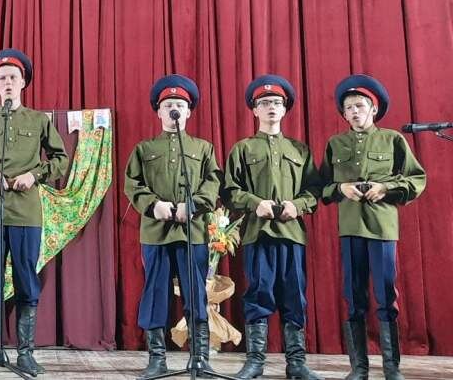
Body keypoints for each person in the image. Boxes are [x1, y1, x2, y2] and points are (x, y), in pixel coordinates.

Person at [0, 48, 68, 375]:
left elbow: (60, 160)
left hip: (26, 214)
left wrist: (35, 175)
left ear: (23, 82)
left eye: (13, 77)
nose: (7, 82)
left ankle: (26, 355)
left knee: (26, 281)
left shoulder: (39, 120)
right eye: (2, 78)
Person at [320, 74, 426, 380]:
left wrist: (386, 187)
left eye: (360, 106)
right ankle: (359, 368)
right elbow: (321, 186)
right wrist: (341, 188)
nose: (354, 112)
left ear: (374, 109)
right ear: (343, 114)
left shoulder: (393, 140)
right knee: (354, 298)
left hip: (381, 227)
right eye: (349, 108)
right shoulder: (335, 143)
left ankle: (391, 367)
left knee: (385, 296)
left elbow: (416, 178)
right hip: (351, 227)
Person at [222, 75, 321, 379]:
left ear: (285, 108)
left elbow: (314, 190)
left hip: (292, 234)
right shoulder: (243, 149)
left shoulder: (300, 150)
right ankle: (255, 362)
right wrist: (255, 203)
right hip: (257, 233)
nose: (271, 107)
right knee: (258, 294)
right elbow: (230, 191)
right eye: (264, 103)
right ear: (254, 110)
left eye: (277, 103)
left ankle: (297, 363)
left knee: (295, 296)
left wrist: (297, 206)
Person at [123, 74, 222, 379]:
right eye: (168, 105)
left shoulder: (203, 148)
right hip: (156, 231)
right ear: (159, 111)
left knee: (195, 293)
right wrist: (154, 204)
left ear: (188, 111)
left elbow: (213, 182)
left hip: (192, 231)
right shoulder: (144, 149)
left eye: (179, 105)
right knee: (155, 292)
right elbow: (132, 183)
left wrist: (193, 205)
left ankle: (199, 358)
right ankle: (157, 358)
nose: (174, 109)